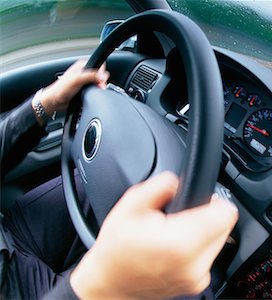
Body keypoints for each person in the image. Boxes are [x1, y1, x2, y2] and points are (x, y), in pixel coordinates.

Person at [0, 60, 238, 299]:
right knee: (191, 290)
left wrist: (45, 103)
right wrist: (99, 288)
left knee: (102, 180)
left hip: (10, 236)